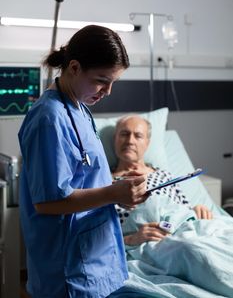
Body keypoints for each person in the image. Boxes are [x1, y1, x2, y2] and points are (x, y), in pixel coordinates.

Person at [18, 25, 148, 298]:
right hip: (67, 267)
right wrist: (113, 193)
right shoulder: (49, 119)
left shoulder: (79, 108)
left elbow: (84, 177)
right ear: (74, 68)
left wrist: (120, 188)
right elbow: (48, 201)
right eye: (102, 80)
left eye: (114, 82)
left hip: (93, 257)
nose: (108, 91)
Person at [112, 115, 213, 246]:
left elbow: (183, 210)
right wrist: (130, 240)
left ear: (147, 143)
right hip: (149, 245)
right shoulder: (105, 182)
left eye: (138, 136)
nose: (130, 141)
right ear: (115, 139)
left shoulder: (164, 176)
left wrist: (196, 210)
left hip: (186, 233)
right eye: (124, 134)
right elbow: (97, 235)